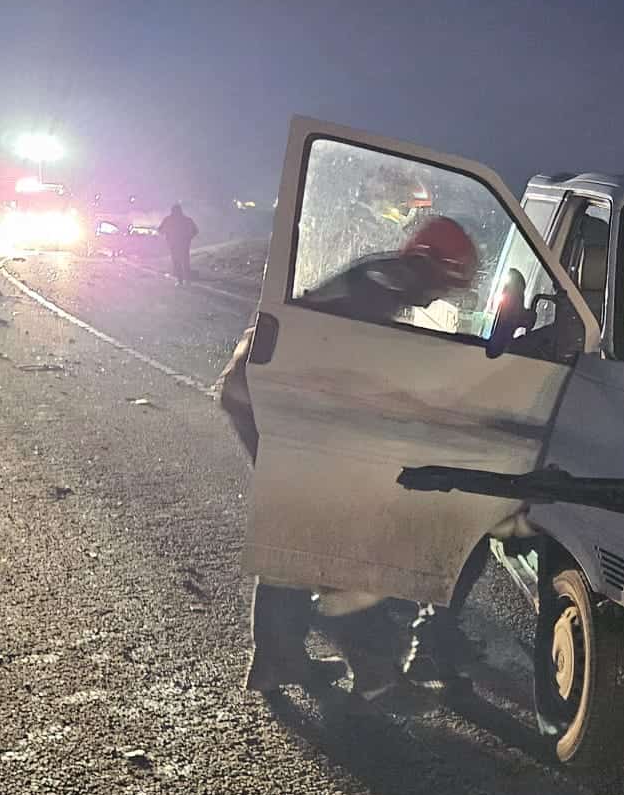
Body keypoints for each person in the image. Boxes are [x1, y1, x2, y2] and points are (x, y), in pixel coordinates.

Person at [219, 214, 479, 706]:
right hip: (268, 398)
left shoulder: (383, 281)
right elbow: (365, 372)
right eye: (445, 285)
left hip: (260, 391)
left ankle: (276, 659)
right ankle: (376, 670)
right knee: (336, 535)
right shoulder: (381, 287)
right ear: (427, 266)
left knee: (298, 528)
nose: (440, 298)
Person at [160, 202, 199, 284]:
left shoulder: (168, 219)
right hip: (184, 244)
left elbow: (160, 229)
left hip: (173, 244)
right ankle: (187, 280)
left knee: (177, 262)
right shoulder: (187, 220)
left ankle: (180, 280)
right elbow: (195, 231)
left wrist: (167, 234)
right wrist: (189, 238)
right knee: (185, 261)